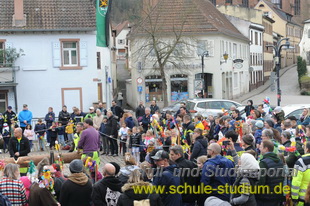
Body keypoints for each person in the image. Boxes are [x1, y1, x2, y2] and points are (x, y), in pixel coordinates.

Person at [256, 140, 285, 206]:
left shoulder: (263, 163)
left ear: (266, 149)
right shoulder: (280, 161)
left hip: (266, 197)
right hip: (277, 194)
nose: (259, 149)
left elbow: (261, 182)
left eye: (261, 147)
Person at [292, 141, 310, 206]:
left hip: (303, 198)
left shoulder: (300, 162)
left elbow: (296, 182)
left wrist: (294, 198)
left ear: (307, 149)